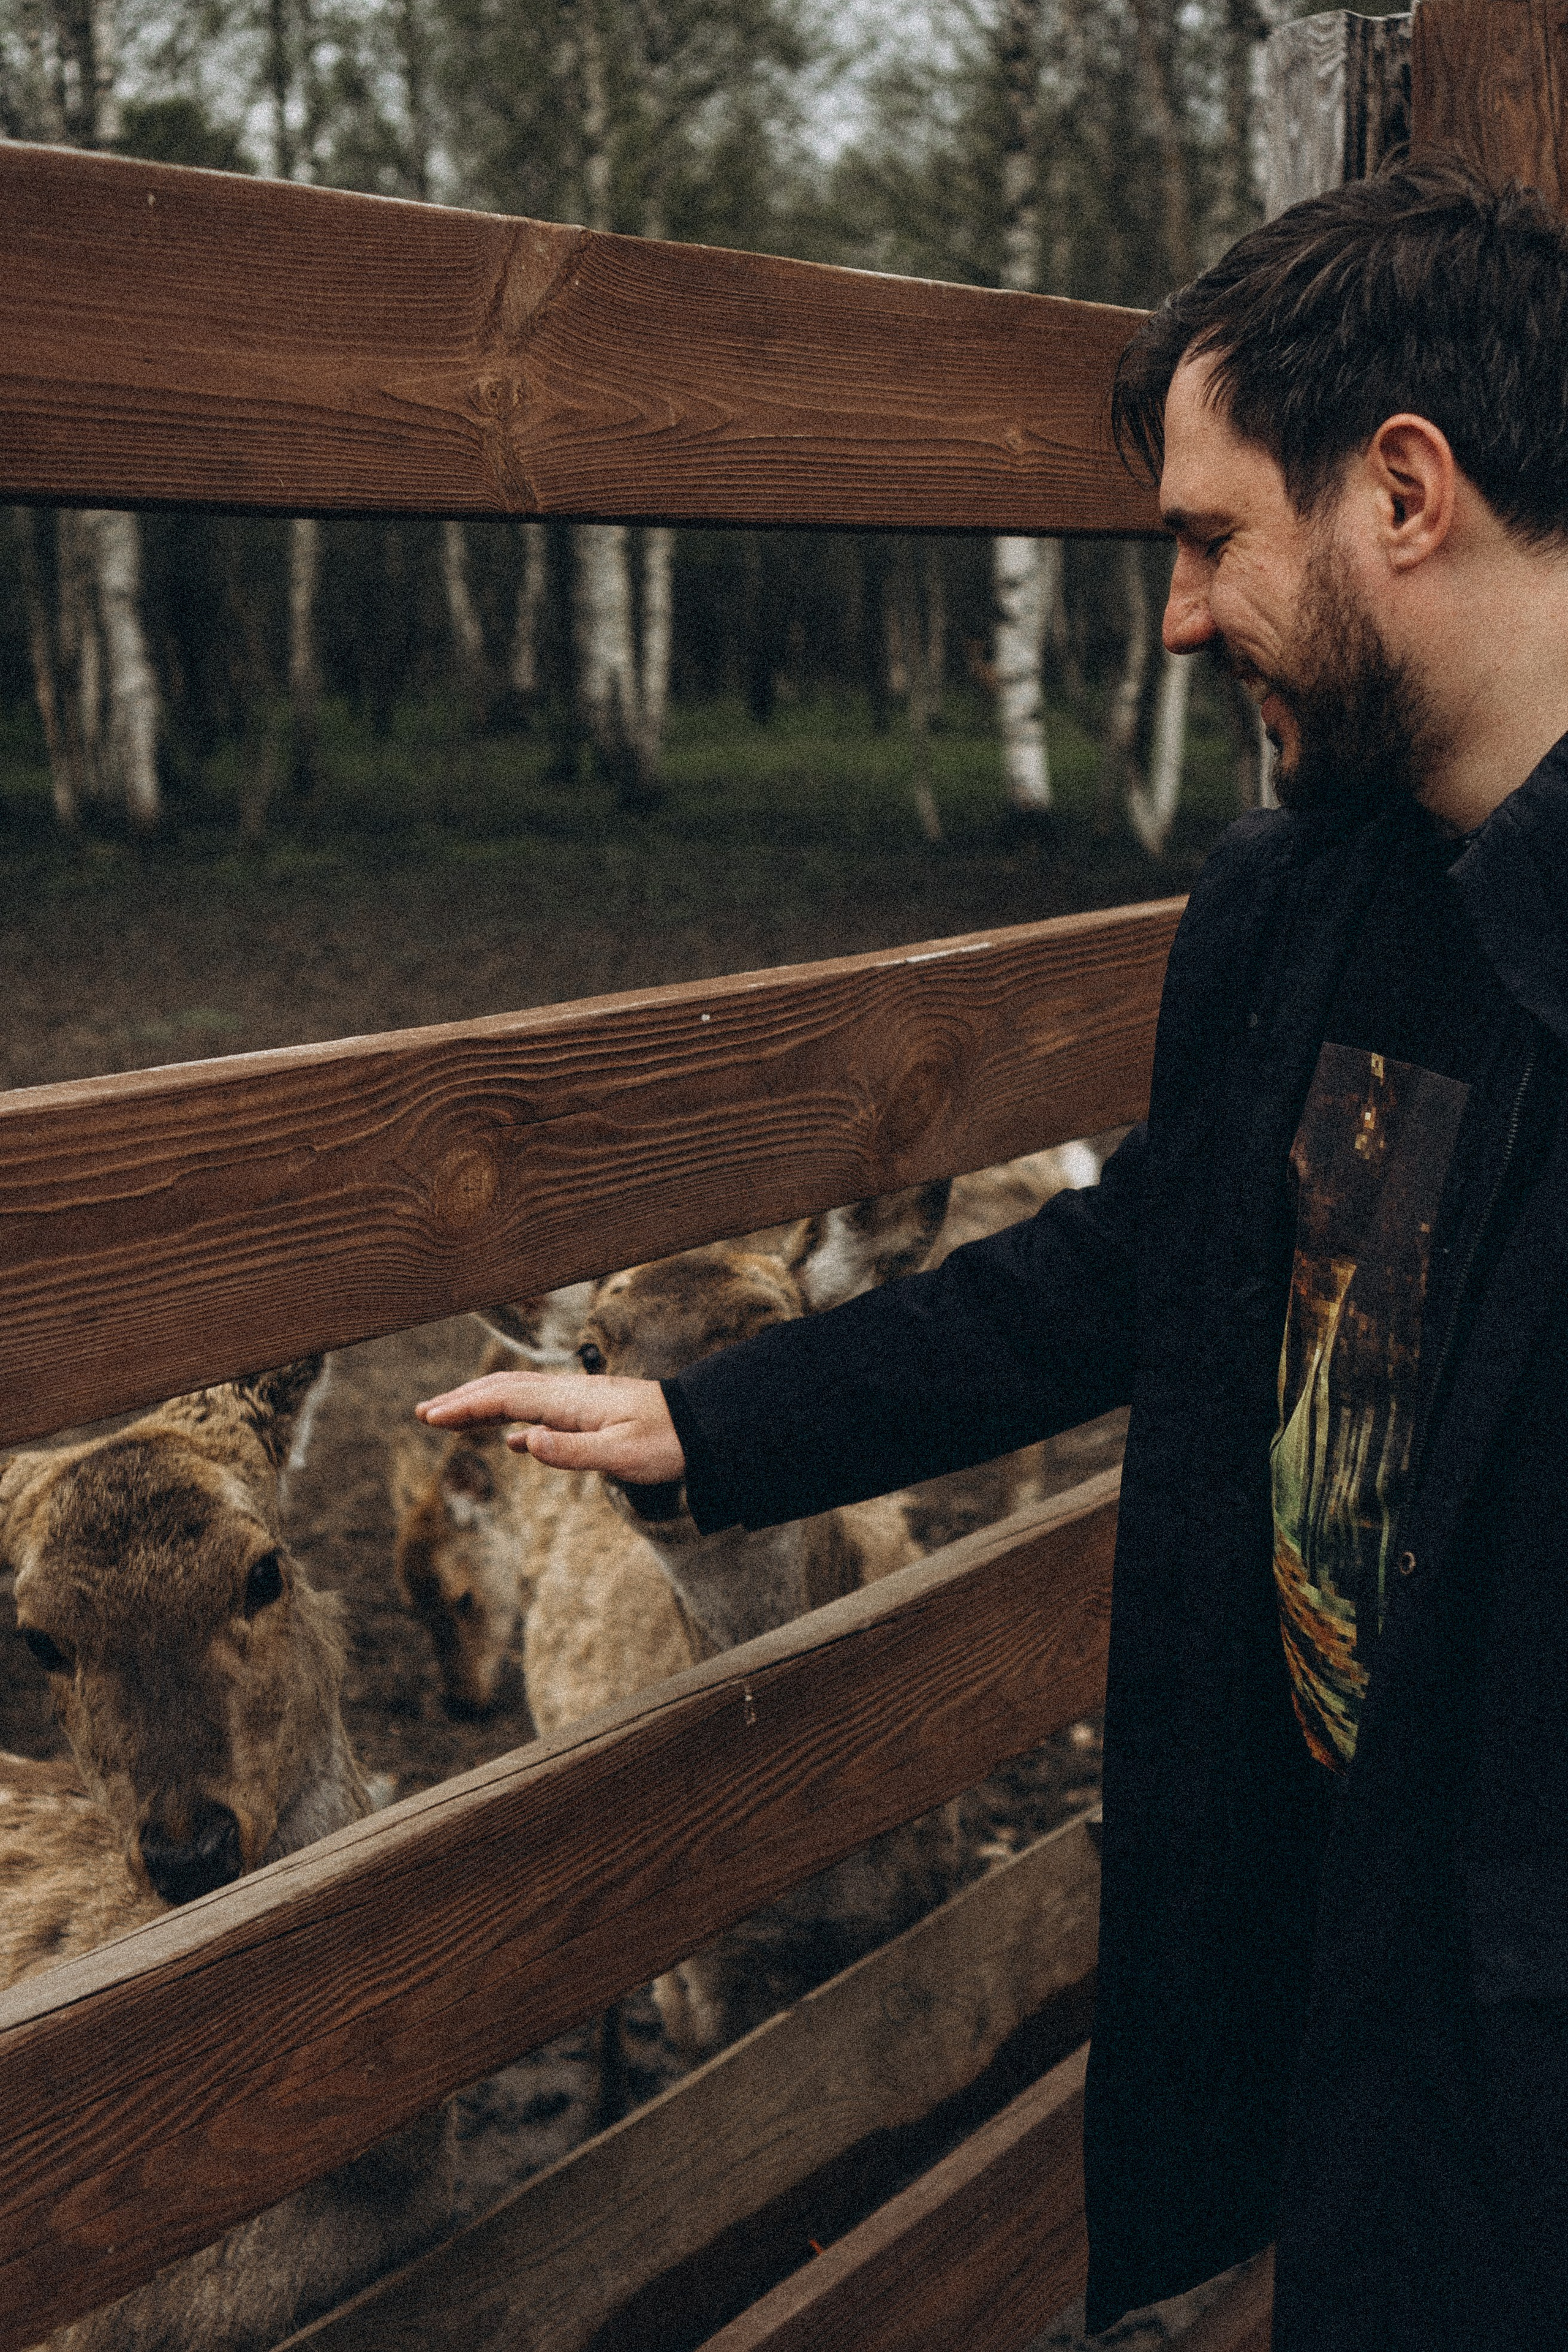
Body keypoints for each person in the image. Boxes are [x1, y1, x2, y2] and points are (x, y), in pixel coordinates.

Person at [420, 160, 1568, 2350]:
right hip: (1335, 1961)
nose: (1179, 617)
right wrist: (716, 1417)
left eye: (1213, 538)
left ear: (1404, 491)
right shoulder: (1297, 900)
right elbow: (1145, 1263)